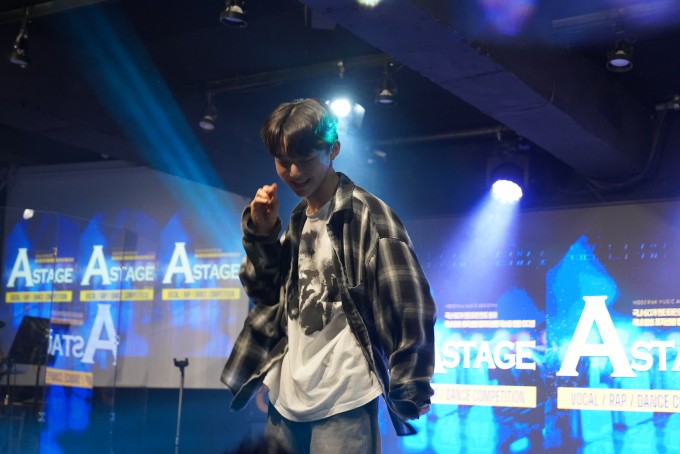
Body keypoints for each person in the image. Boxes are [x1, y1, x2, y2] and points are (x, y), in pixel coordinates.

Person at [221, 98, 436, 454]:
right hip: (286, 399)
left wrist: (412, 380)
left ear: (333, 149)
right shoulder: (296, 220)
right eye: (283, 161)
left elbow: (409, 302)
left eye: (305, 160)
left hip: (344, 400)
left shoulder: (368, 216)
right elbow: (265, 295)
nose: (293, 172)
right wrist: (261, 234)